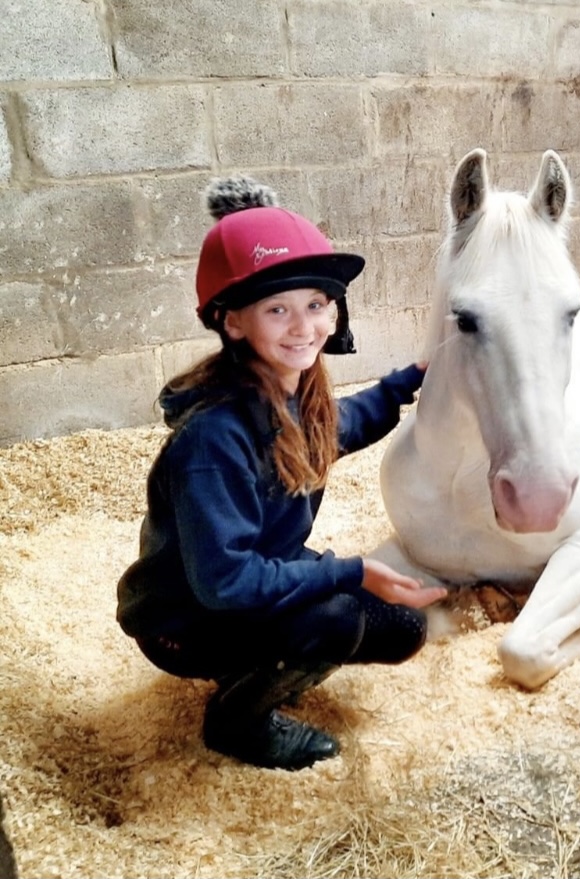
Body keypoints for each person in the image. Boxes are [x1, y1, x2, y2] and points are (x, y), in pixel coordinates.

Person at [117, 176, 446, 771]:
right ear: (235, 322)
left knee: (402, 630)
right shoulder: (212, 440)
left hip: (237, 591)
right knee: (333, 616)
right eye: (278, 309)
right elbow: (227, 582)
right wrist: (350, 571)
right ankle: (236, 723)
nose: (305, 328)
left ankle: (262, 663)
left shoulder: (298, 397)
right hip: (186, 618)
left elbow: (344, 424)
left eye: (317, 304)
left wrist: (410, 379)